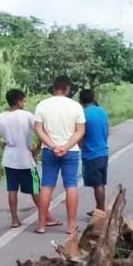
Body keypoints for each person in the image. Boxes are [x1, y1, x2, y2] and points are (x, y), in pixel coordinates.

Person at [0, 89, 58, 229]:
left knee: (12, 189)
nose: (24, 103)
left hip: (9, 159)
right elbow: (41, 132)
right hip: (26, 159)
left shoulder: (0, 117)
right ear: (18, 101)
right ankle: (46, 216)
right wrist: (37, 148)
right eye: (23, 100)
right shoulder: (27, 116)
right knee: (35, 189)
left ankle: (15, 219)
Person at [34, 75, 86, 235]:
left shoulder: (42, 105)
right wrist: (65, 146)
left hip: (49, 151)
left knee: (47, 186)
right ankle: (71, 226)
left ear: (54, 87)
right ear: (67, 89)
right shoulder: (76, 106)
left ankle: (42, 225)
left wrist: (52, 145)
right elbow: (80, 131)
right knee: (71, 185)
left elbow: (38, 129)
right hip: (70, 151)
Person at [80, 88, 110, 213]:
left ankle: (101, 210)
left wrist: (81, 147)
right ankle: (99, 208)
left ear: (81, 100)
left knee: (97, 184)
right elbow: (107, 131)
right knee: (100, 183)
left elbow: (80, 135)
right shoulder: (101, 111)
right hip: (103, 151)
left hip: (91, 154)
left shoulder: (83, 114)